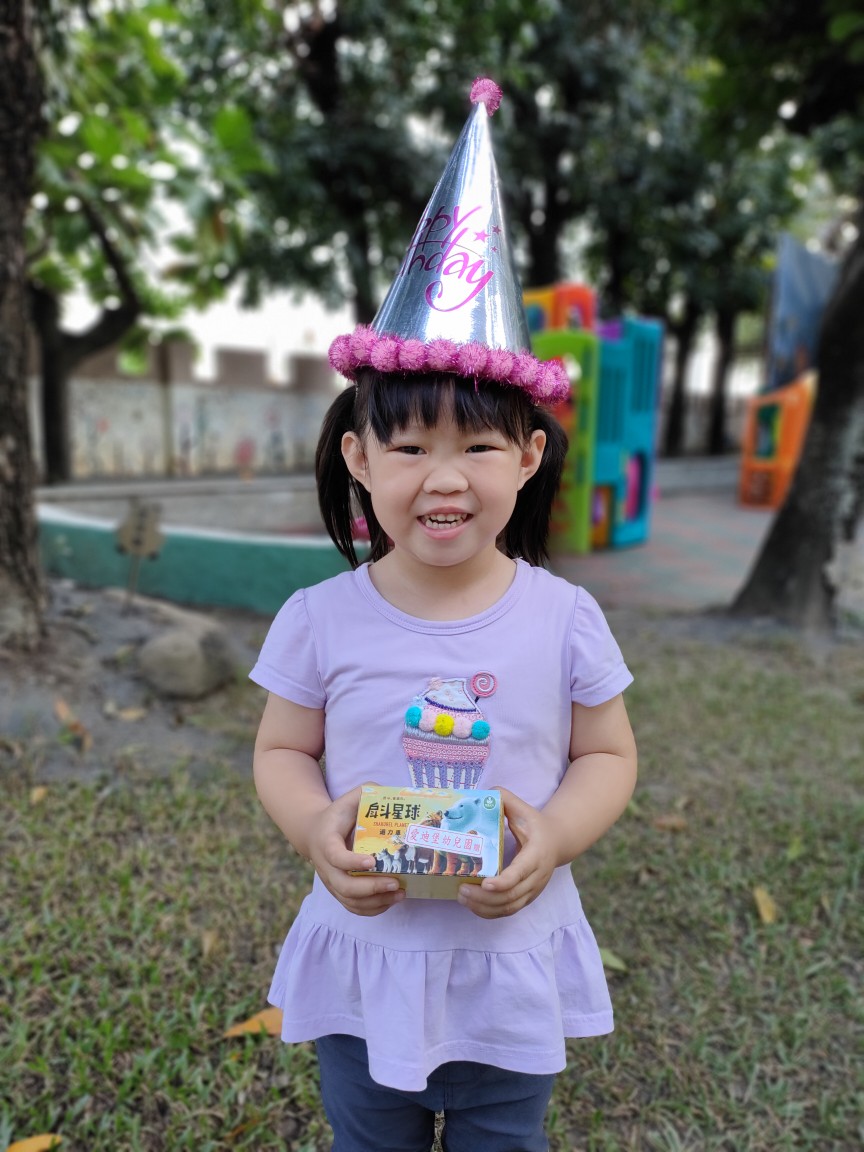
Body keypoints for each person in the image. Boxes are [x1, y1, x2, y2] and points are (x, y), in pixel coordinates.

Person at [250, 78, 637, 1152]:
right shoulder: (319, 617)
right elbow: (282, 748)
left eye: (476, 445)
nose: (444, 476)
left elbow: (608, 754)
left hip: (510, 966)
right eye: (411, 446)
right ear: (359, 457)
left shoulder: (565, 617)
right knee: (368, 1139)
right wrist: (313, 828)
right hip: (364, 963)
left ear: (529, 455)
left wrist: (555, 836)